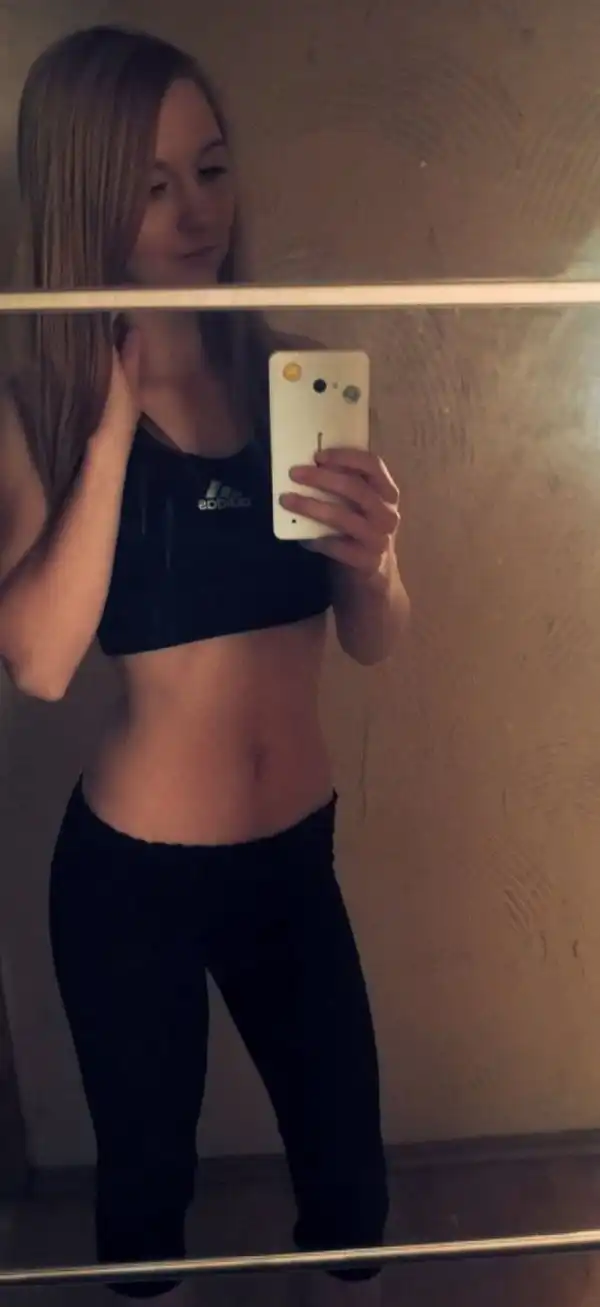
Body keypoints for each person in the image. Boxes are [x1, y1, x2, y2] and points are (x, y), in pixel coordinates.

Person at [0, 24, 410, 1307]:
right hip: (132, 881)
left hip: (295, 859)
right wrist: (111, 427)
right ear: (85, 195)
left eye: (212, 169)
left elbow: (371, 635)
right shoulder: (38, 407)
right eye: (153, 183)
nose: (196, 212)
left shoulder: (291, 375)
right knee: (146, 1195)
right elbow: (39, 661)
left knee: (352, 1195)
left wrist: (379, 557)